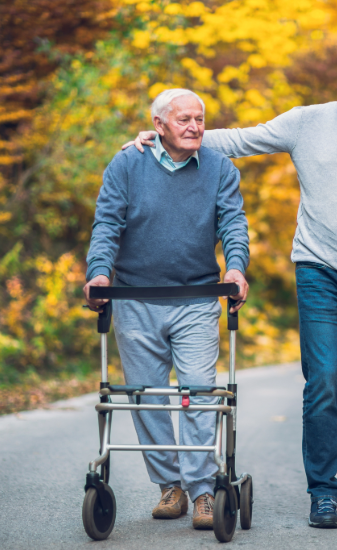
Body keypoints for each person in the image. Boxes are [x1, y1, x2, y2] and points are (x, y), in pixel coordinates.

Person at [125, 44, 337, 528]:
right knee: (320, 388)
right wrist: (167, 136)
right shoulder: (306, 121)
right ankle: (322, 491)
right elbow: (239, 141)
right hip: (318, 270)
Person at [84, 89, 250, 530]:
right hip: (134, 298)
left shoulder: (219, 168)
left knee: (197, 392)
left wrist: (235, 268)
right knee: (147, 397)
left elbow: (233, 222)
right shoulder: (127, 164)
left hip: (196, 298)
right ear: (159, 125)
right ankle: (169, 487)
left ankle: (201, 493)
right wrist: (99, 273)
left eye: (200, 119)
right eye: (184, 120)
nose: (196, 126)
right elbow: (107, 223)